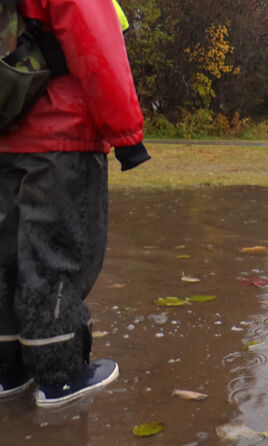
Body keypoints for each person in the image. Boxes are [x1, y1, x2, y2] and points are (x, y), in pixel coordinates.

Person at [0, 0, 150, 407]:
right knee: (56, 259)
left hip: (6, 137)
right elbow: (97, 46)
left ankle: (7, 370)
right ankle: (61, 376)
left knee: (6, 259)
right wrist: (128, 135)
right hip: (61, 137)